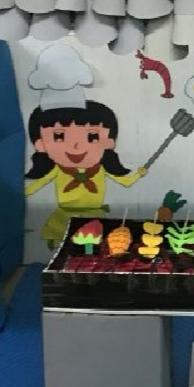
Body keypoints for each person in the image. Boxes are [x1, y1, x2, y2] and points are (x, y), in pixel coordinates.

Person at [24, 45, 146, 249]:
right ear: (40, 144)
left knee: (92, 251)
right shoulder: (58, 169)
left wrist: (139, 174)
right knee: (64, 249)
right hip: (63, 218)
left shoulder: (101, 168)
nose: (76, 145)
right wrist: (15, 193)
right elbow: (36, 185)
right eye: (59, 136)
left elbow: (125, 182)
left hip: (94, 217)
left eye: (92, 136)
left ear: (109, 141)